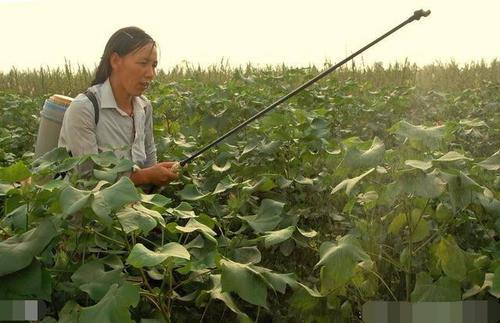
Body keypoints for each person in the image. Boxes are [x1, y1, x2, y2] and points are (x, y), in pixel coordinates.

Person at [58, 26, 179, 186]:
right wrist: (146, 177)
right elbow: (87, 179)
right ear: (115, 61)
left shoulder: (144, 107)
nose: (151, 73)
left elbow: (149, 159)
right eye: (143, 63)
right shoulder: (84, 108)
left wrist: (162, 173)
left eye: (154, 65)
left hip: (134, 207)